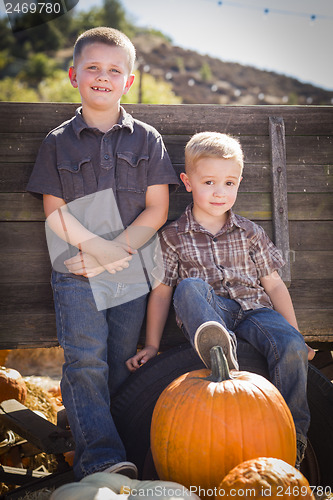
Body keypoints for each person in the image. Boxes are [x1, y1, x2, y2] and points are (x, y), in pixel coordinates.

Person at [27, 27, 179, 480]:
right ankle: (102, 462)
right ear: (74, 75)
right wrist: (95, 251)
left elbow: (158, 208)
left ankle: (82, 429)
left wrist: (114, 252)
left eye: (114, 70)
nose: (102, 76)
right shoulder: (58, 141)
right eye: (92, 67)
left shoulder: (147, 139)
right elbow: (54, 212)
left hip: (129, 267)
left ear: (128, 82)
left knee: (114, 360)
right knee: (85, 358)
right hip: (75, 268)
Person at [126, 131, 315, 469]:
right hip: (210, 311)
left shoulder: (251, 232)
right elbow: (162, 292)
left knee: (290, 346)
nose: (219, 191)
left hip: (255, 310)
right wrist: (152, 345)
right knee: (188, 287)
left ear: (239, 183)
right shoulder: (171, 237)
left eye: (229, 183)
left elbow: (273, 286)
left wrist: (295, 333)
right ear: (187, 182)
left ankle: (294, 439)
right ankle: (218, 348)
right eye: (210, 181)